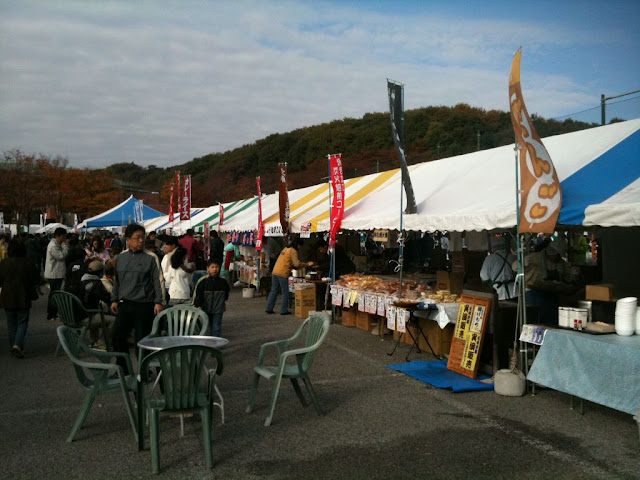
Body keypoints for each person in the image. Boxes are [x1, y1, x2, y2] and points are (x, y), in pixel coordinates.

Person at [110, 224, 165, 374]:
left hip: (145, 305)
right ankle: (123, 369)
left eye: (143, 237)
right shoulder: (120, 258)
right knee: (117, 336)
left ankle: (144, 370)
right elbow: (117, 281)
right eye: (137, 238)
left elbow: (158, 281)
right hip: (125, 304)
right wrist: (114, 299)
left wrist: (159, 301)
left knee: (142, 341)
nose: (141, 241)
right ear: (128, 240)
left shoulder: (151, 257)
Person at [519, 237, 579, 325]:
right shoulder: (534, 258)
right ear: (552, 252)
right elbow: (516, 266)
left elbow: (568, 276)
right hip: (534, 296)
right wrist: (530, 273)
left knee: (551, 323)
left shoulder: (561, 263)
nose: (559, 258)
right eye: (558, 255)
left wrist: (574, 275)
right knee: (535, 322)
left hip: (552, 298)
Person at [0, 237, 40, 358]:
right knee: (22, 322)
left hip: (7, 296)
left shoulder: (3, 263)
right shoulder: (28, 262)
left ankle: (14, 345)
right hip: (23, 296)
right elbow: (36, 279)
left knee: (11, 323)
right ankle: (17, 345)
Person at [265, 239, 313, 315]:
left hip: (275, 271)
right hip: (282, 273)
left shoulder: (285, 249)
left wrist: (295, 267)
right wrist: (307, 264)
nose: (300, 248)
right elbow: (297, 264)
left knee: (273, 291)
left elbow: (289, 263)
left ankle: (269, 308)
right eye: (300, 246)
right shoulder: (293, 251)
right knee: (285, 292)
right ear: (298, 245)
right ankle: (283, 310)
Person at [193, 259, 230, 337]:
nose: (214, 269)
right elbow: (198, 295)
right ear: (208, 268)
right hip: (205, 309)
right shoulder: (203, 281)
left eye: (216, 267)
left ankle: (216, 345)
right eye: (212, 267)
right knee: (206, 328)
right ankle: (207, 345)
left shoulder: (223, 281)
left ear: (219, 268)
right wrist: (198, 305)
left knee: (216, 328)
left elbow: (226, 294)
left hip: (218, 309)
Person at [480, 236, 516, 300]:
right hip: (514, 291)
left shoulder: (489, 259)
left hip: (498, 293)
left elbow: (483, 275)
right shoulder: (512, 257)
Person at [44, 228, 69, 320]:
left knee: (54, 294)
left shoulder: (55, 244)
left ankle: (52, 313)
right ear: (59, 236)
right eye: (64, 236)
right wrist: (66, 247)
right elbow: (61, 256)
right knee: (55, 294)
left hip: (55, 273)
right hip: (54, 274)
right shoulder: (54, 245)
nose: (65, 238)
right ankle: (51, 314)